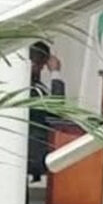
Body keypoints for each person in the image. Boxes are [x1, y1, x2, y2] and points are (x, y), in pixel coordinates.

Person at [27, 41, 65, 182]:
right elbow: (57, 108)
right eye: (40, 64)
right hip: (34, 151)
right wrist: (55, 73)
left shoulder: (38, 86)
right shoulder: (29, 89)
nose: (41, 68)